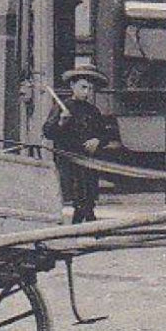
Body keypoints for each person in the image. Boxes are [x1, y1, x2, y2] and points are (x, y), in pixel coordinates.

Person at [42, 65, 122, 224]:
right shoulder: (62, 107)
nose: (87, 92)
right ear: (72, 86)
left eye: (90, 89)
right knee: (76, 197)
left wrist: (97, 140)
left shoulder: (93, 110)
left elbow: (105, 134)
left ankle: (86, 223)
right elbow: (48, 132)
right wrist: (61, 122)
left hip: (89, 160)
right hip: (69, 160)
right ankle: (81, 225)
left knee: (90, 195)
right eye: (83, 87)